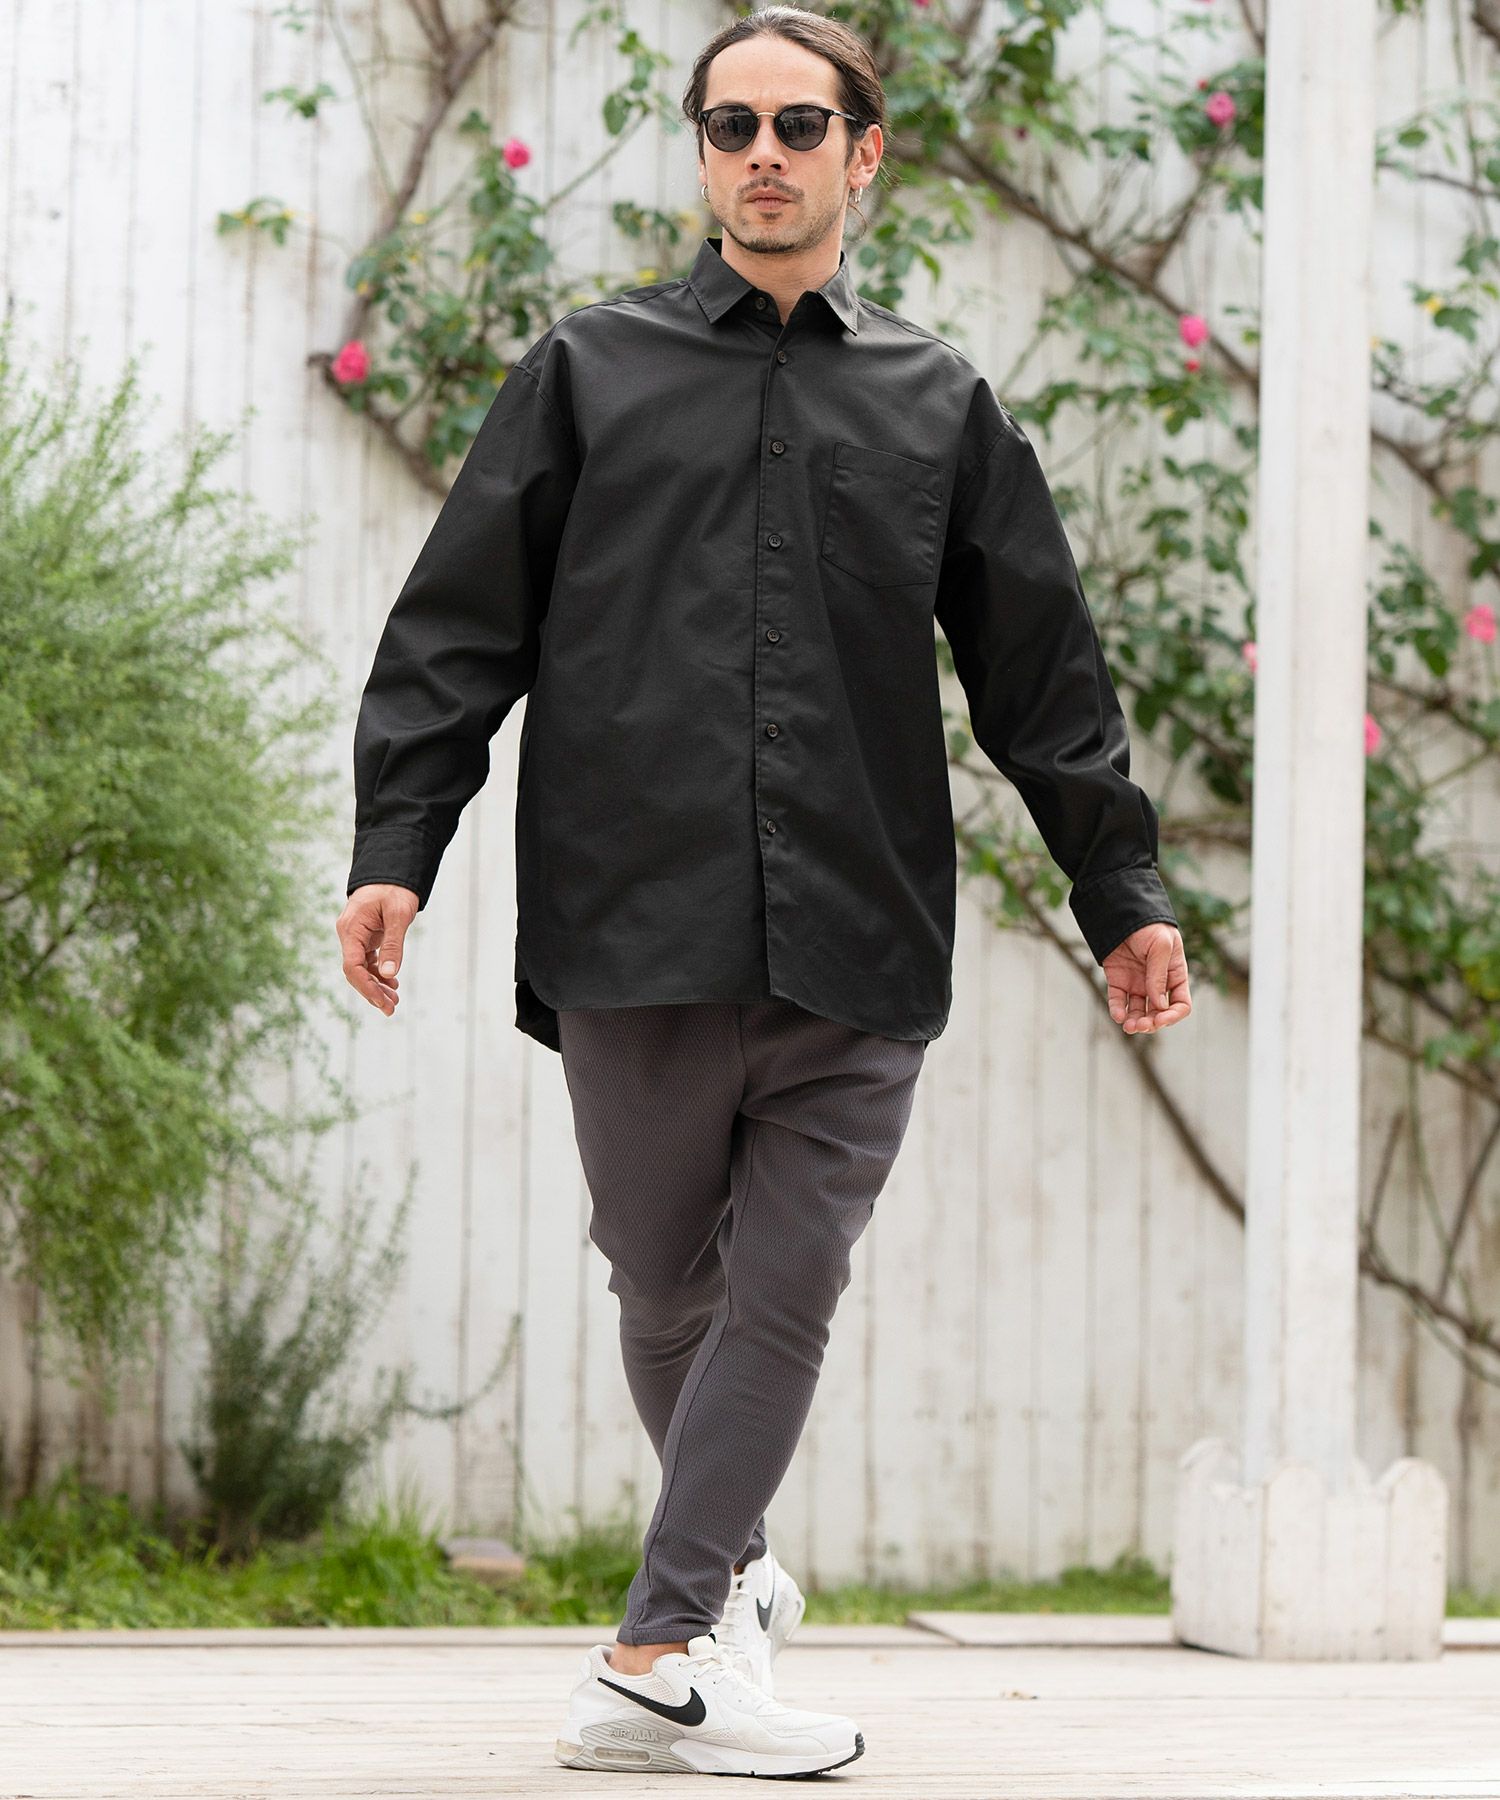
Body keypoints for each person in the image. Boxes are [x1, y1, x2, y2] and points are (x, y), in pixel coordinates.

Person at [335, 5, 1192, 1779]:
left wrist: (1122, 894)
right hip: (632, 924)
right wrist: (397, 850)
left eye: (800, 125)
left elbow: (1044, 676)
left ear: (863, 153)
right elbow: (456, 631)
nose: (765, 155)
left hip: (858, 931)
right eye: (731, 126)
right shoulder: (589, 371)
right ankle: (732, 1583)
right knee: (664, 1289)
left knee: (786, 1289)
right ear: (705, 154)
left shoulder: (941, 404)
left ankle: (658, 1648)